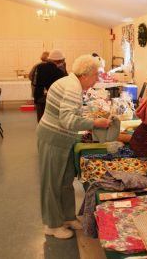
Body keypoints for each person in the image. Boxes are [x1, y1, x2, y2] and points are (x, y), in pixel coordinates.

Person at [37, 54, 111, 239]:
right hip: (53, 138)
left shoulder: (71, 83)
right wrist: (95, 123)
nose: (97, 79)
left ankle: (67, 217)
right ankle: (52, 225)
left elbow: (69, 113)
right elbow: (68, 120)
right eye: (96, 75)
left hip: (63, 139)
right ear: (86, 74)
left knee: (65, 180)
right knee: (52, 183)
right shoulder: (72, 88)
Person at [33, 49, 67, 122]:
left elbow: (35, 82)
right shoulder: (59, 72)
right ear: (60, 61)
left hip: (40, 97)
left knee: (41, 120)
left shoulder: (40, 67)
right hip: (54, 99)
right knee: (51, 121)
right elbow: (65, 84)